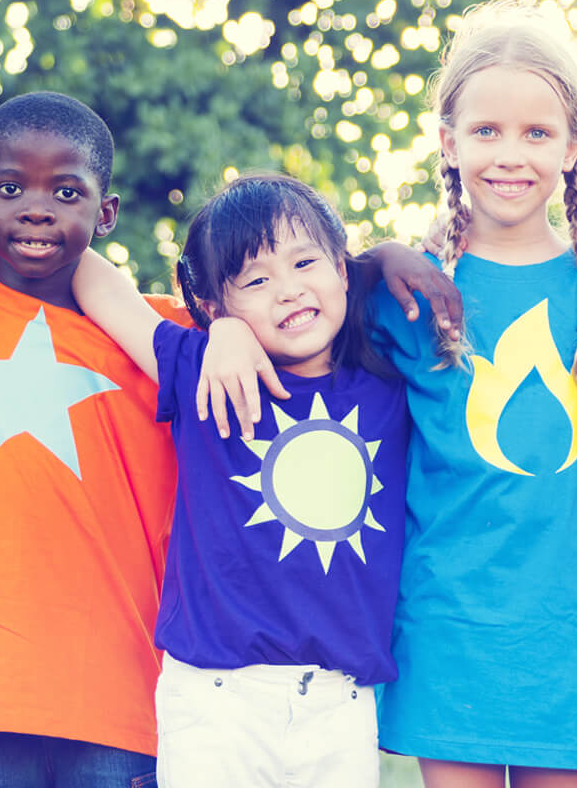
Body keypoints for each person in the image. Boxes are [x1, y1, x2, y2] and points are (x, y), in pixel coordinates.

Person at [361, 8, 577, 788]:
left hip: (571, 635)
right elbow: (287, 326)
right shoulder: (404, 291)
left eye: (536, 134)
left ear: (573, 147)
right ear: (447, 142)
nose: (509, 155)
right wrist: (366, 262)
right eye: (485, 131)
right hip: (448, 629)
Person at [71, 172, 412, 788]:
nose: (288, 290)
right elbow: (92, 278)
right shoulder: (205, 371)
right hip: (215, 696)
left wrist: (383, 256)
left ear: (342, 267)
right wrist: (219, 332)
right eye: (256, 280)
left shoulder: (389, 383)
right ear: (212, 304)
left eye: (305, 261)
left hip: (341, 703)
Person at [0, 91, 189, 788]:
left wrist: (381, 260)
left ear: (107, 212)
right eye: (11, 188)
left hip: (122, 699)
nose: (36, 207)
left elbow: (289, 317)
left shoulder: (161, 340)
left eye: (66, 191)